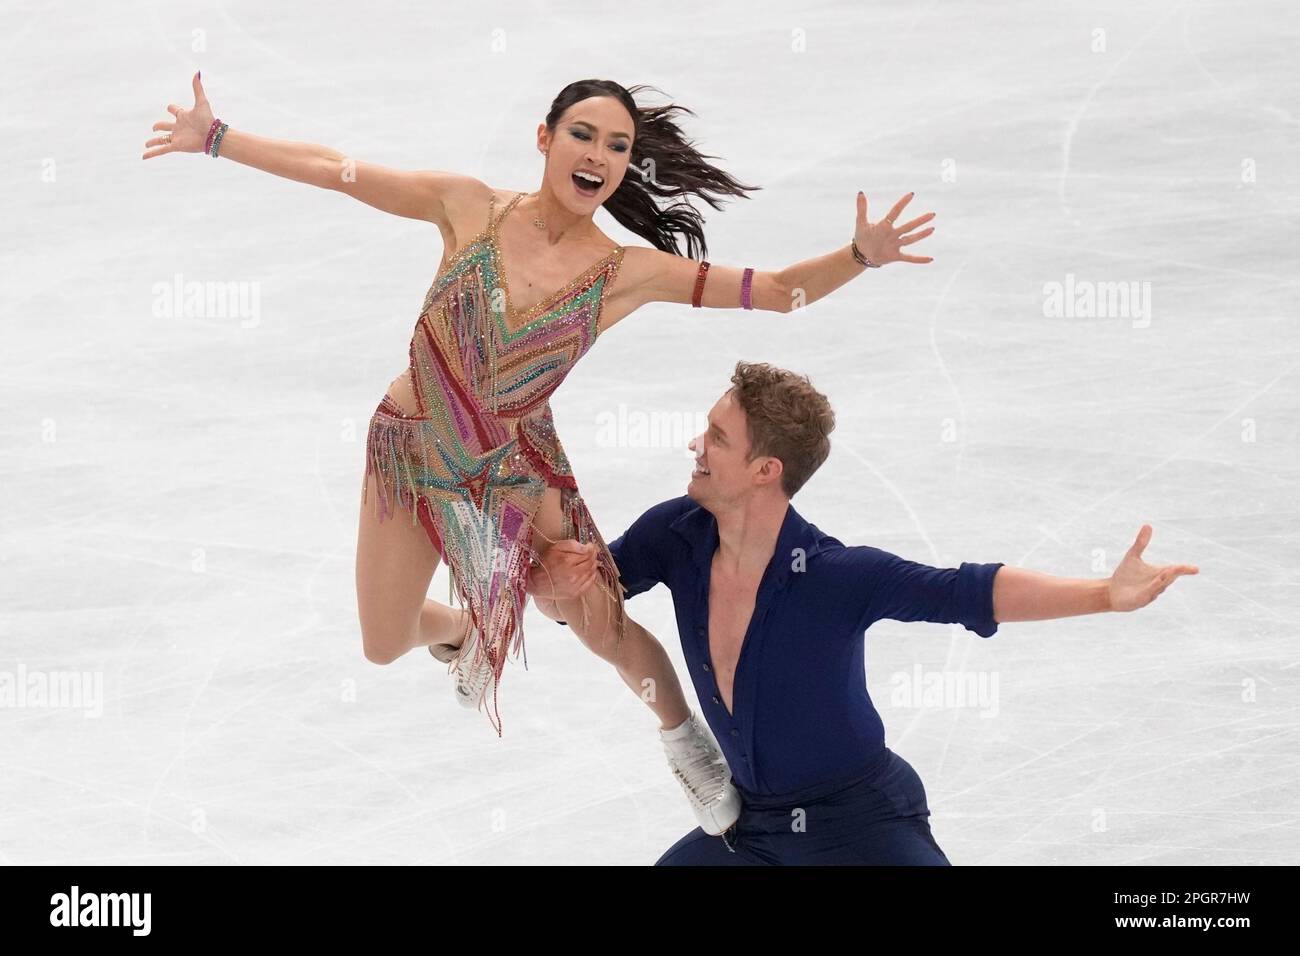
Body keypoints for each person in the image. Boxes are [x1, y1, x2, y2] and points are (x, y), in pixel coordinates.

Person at [142, 74, 935, 835]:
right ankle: (466, 636)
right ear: (545, 138)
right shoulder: (467, 208)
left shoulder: (626, 272)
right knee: (382, 643)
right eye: (582, 134)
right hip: (412, 450)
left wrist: (859, 255)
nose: (597, 155)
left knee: (595, 617)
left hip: (514, 465)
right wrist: (216, 137)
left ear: (627, 164)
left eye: (617, 146)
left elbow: (775, 292)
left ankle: (683, 739)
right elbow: (339, 173)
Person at [527, 361, 1199, 864]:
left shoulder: (833, 576)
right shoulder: (677, 534)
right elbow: (586, 609)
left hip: (859, 825)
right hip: (753, 824)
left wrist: (1103, 595)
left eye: (718, 437)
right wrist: (553, 582)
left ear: (766, 470)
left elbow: (969, 591)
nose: (696, 445)